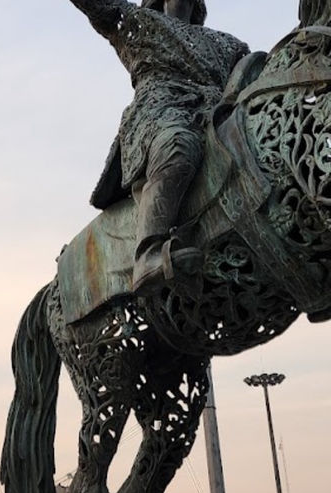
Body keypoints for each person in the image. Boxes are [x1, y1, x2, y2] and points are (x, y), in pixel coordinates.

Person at [68, 0, 250, 293]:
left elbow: (251, 75)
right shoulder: (137, 23)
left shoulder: (228, 44)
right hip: (162, 110)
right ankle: (149, 253)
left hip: (216, 112)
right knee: (179, 148)